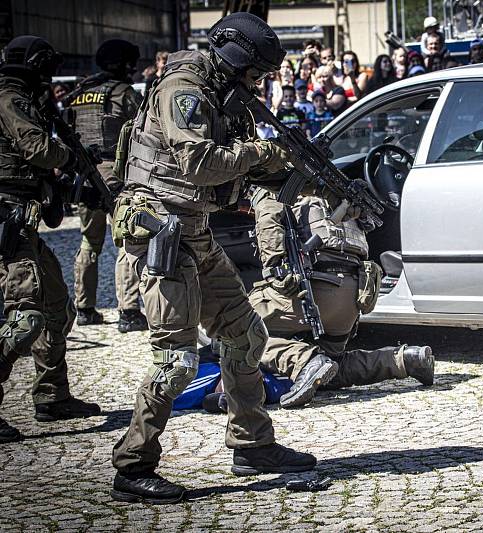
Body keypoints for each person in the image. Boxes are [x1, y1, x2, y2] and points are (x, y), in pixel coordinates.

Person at [110, 12, 317, 504]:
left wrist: (293, 172)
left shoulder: (228, 99)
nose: (260, 84)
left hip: (196, 233)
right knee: (176, 360)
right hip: (161, 231)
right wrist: (260, 153)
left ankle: (252, 445)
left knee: (247, 334)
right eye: (257, 73)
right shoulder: (184, 88)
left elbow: (235, 180)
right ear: (237, 60)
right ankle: (132, 465)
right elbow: (200, 163)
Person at [246, 187, 436, 409]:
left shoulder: (274, 186)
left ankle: (304, 360)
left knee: (232, 331)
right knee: (332, 367)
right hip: (351, 297)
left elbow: (269, 223)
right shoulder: (333, 187)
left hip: (313, 288)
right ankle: (406, 360)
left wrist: (276, 271)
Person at [0, 35, 101, 443]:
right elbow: (37, 149)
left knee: (57, 305)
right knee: (25, 317)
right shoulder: (9, 98)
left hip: (24, 218)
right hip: (8, 217)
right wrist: (73, 158)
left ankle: (52, 394)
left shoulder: (28, 98)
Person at [64, 39, 147, 332]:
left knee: (89, 241)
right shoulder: (123, 94)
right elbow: (146, 131)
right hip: (115, 174)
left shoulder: (79, 94)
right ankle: (129, 312)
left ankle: (84, 308)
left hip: (83, 176)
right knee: (129, 239)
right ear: (124, 64)